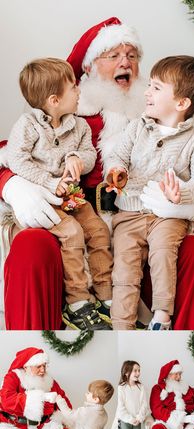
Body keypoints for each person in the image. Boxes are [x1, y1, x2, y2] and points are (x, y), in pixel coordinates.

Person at [0, 16, 194, 331]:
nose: (126, 63)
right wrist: (15, 188)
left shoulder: (157, 120)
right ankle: (47, 333)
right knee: (30, 247)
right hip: (76, 217)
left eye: (132, 56)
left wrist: (185, 204)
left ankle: (169, 331)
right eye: (114, 55)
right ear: (89, 66)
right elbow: (11, 154)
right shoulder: (64, 116)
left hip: (143, 224)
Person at [105, 55, 194, 330]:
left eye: (156, 87)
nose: (146, 92)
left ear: (181, 103)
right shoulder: (136, 127)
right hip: (129, 213)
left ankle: (162, 315)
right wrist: (116, 170)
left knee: (163, 255)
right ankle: (121, 326)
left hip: (166, 218)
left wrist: (182, 193)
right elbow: (118, 155)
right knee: (124, 270)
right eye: (149, 85)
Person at [6, 57, 113, 331]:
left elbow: (90, 154)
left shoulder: (79, 126)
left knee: (98, 230)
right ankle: (78, 300)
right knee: (72, 233)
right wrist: (48, 183)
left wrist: (77, 157)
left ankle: (106, 295)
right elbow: (16, 160)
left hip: (73, 196)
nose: (79, 91)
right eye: (73, 87)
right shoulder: (27, 126)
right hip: (45, 199)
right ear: (54, 100)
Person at [110, 361, 148, 429]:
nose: (138, 373)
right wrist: (130, 419)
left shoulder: (141, 387)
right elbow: (121, 407)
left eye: (139, 370)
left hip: (137, 420)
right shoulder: (122, 388)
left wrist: (139, 418)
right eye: (135, 370)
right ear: (127, 372)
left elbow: (144, 404)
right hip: (126, 420)